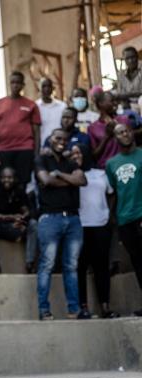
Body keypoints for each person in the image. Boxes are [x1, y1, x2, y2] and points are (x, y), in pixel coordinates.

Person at [34, 128, 87, 320]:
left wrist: (59, 175)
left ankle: (74, 309)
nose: (62, 142)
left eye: (65, 139)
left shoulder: (71, 162)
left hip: (73, 219)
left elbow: (82, 180)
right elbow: (46, 180)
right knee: (47, 265)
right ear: (49, 139)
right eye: (58, 138)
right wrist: (68, 180)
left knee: (71, 266)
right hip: (50, 219)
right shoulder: (41, 160)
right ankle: (43, 310)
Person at [70, 143, 118, 319]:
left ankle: (105, 307)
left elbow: (112, 193)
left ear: (86, 152)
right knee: (80, 267)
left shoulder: (101, 174)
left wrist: (109, 214)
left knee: (102, 267)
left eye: (78, 152)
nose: (75, 155)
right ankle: (83, 307)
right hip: (79, 226)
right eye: (73, 153)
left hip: (101, 224)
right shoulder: (71, 175)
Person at [106, 123, 142, 316]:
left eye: (127, 131)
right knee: (137, 261)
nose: (124, 134)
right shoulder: (111, 164)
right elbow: (115, 191)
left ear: (132, 133)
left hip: (141, 214)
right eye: (119, 133)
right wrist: (112, 217)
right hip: (125, 218)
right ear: (115, 138)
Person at [0, 70, 41, 187]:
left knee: (23, 184)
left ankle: (23, 206)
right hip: (3, 151)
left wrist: (36, 154)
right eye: (12, 82)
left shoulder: (31, 105)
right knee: (4, 185)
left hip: (25, 150)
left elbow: (37, 132)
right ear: (9, 84)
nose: (15, 85)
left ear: (23, 85)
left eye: (18, 82)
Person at [0, 167, 37, 274]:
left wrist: (21, 219)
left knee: (33, 224)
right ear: (0, 178)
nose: (6, 180)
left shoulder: (19, 191)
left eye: (9, 177)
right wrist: (9, 217)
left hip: (16, 226)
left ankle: (30, 263)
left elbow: (26, 210)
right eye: (3, 177)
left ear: (14, 179)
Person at [88, 91, 131, 169]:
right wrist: (106, 136)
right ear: (101, 103)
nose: (116, 103)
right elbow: (94, 155)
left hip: (125, 166)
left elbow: (131, 143)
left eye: (116, 101)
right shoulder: (93, 127)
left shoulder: (124, 120)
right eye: (112, 101)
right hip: (104, 168)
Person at [36, 78, 67, 147]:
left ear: (53, 88)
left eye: (49, 86)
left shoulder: (62, 106)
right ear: (39, 89)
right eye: (44, 86)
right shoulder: (35, 107)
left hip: (60, 145)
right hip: (42, 146)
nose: (47, 89)